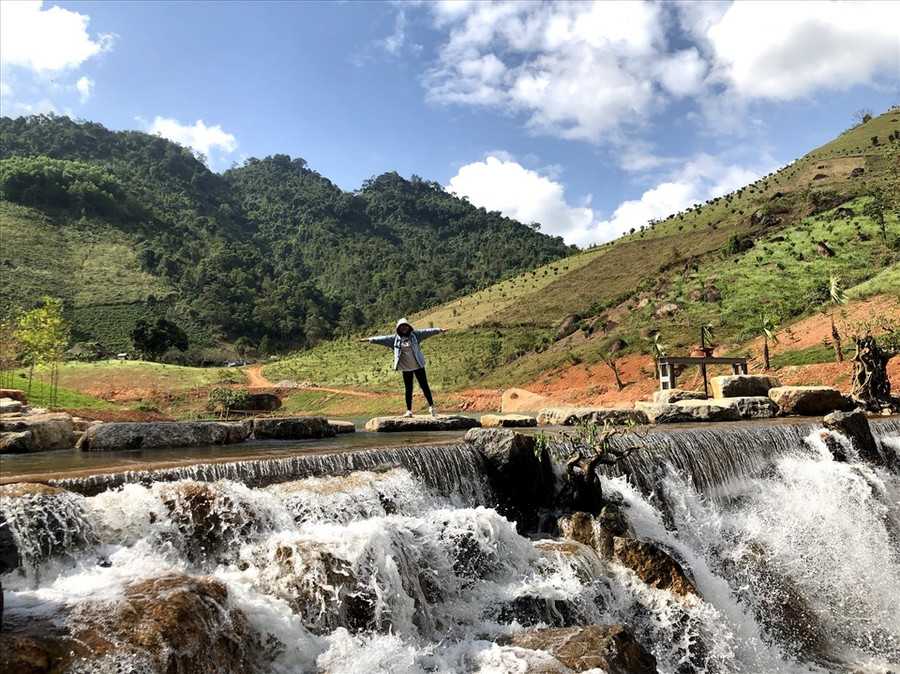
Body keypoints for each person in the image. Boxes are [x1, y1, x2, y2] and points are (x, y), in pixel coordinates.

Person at [357, 318, 449, 417]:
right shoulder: (393, 339)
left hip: (418, 365)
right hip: (406, 368)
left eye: (405, 326)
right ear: (398, 329)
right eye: (402, 327)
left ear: (409, 327)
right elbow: (381, 339)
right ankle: (409, 410)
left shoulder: (415, 335)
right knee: (408, 389)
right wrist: (366, 340)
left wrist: (439, 330)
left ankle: (432, 407)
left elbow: (427, 332)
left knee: (424, 386)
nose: (404, 328)